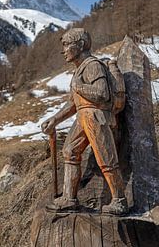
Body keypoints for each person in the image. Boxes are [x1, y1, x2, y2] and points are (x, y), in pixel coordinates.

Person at [41, 28, 128, 215]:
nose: (63, 50)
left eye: (66, 45)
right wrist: (54, 120)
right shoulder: (79, 70)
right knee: (70, 151)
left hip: (96, 116)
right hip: (84, 116)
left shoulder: (92, 66)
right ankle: (69, 198)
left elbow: (102, 94)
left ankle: (119, 200)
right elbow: (73, 104)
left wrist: (78, 86)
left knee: (106, 158)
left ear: (80, 45)